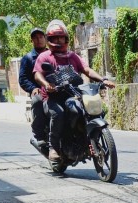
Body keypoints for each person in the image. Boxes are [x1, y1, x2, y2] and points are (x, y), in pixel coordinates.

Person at [33, 20, 115, 161]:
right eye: (55, 38)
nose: (59, 40)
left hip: (73, 95)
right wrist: (46, 84)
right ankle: (54, 148)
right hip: (53, 97)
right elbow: (37, 73)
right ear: (50, 40)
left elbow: (86, 69)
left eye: (61, 37)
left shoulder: (72, 56)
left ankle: (84, 139)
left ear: (66, 38)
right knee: (58, 113)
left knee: (88, 110)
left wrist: (102, 80)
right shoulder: (45, 56)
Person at [19, 27, 49, 148]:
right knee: (37, 102)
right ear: (32, 41)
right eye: (35, 38)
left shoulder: (53, 54)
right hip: (39, 91)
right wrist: (32, 88)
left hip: (56, 89)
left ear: (45, 38)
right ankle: (39, 135)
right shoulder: (28, 58)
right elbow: (23, 79)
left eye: (41, 37)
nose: (39, 40)